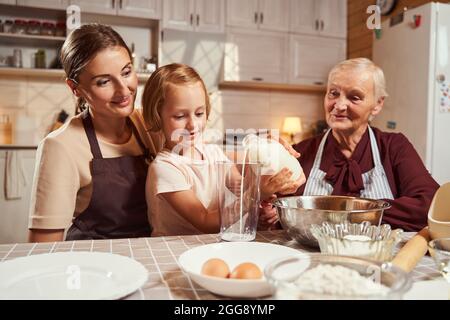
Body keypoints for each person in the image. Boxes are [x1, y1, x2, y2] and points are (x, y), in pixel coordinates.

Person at [261, 58, 439, 232]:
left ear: (377, 104)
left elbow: (431, 205)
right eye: (333, 93)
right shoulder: (302, 152)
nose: (339, 105)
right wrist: (266, 210)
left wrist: (344, 213)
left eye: (354, 97)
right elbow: (277, 210)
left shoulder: (394, 147)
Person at [28, 24, 162, 242]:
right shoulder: (61, 146)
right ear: (75, 88)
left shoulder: (150, 125)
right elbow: (42, 247)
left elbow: (198, 157)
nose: (123, 89)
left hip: (149, 258)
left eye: (126, 72)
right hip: (92, 267)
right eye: (104, 81)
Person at [142, 63, 301, 236]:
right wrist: (255, 196)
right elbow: (205, 221)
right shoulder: (165, 167)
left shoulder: (213, 154)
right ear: (157, 117)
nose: (192, 124)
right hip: (171, 250)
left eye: (199, 113)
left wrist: (262, 204)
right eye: (180, 116)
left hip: (207, 247)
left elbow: (242, 188)